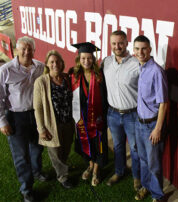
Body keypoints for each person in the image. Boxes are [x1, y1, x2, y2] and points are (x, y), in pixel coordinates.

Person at [0, 36, 47, 202]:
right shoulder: (5, 70)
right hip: (15, 116)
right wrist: (2, 121)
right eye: (23, 49)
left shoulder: (40, 67)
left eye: (29, 49)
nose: (26, 52)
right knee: (21, 155)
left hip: (36, 115)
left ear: (34, 50)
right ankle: (26, 189)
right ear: (16, 50)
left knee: (37, 147)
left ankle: (37, 172)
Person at [101, 30, 141, 191]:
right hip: (113, 113)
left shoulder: (137, 63)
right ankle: (119, 172)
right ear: (110, 44)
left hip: (132, 114)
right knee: (118, 146)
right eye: (114, 43)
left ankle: (137, 178)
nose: (117, 46)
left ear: (126, 43)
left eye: (120, 43)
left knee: (135, 148)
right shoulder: (106, 62)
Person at [133, 35, 168, 202]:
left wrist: (158, 128)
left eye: (144, 48)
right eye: (137, 49)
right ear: (133, 50)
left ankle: (158, 196)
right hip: (139, 123)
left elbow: (164, 103)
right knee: (143, 160)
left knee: (154, 165)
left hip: (151, 126)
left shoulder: (156, 71)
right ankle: (146, 186)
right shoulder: (141, 68)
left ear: (150, 50)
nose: (140, 52)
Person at [33, 50, 74, 189]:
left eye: (57, 61)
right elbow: (37, 107)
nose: (55, 64)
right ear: (47, 64)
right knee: (55, 152)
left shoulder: (66, 78)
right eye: (51, 62)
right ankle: (63, 177)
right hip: (52, 124)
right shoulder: (41, 82)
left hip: (68, 122)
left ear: (62, 63)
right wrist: (41, 129)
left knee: (66, 149)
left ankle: (64, 167)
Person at [70, 42, 108, 186]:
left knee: (98, 143)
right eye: (83, 58)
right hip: (81, 118)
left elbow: (105, 97)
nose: (86, 61)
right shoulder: (74, 76)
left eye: (89, 58)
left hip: (98, 118)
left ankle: (96, 171)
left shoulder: (99, 75)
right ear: (79, 59)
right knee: (85, 142)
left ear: (93, 59)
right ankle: (90, 165)